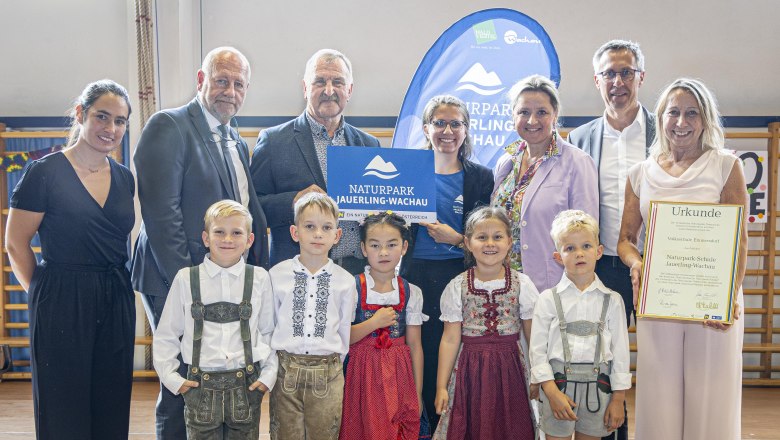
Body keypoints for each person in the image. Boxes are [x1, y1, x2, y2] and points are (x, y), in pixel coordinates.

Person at [132, 46, 269, 439]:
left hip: (225, 279)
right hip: (175, 280)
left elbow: (245, 208)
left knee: (216, 379)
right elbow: (162, 218)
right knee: (182, 383)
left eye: (238, 84)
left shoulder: (236, 139)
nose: (230, 90)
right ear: (200, 80)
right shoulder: (168, 126)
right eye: (221, 80)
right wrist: (191, 287)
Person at [617, 78, 748, 440]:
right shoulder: (640, 173)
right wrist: (637, 263)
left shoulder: (725, 165)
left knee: (711, 394)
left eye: (692, 113)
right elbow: (626, 241)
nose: (681, 121)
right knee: (659, 393)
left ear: (705, 119)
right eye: (673, 112)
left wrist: (729, 296)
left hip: (713, 303)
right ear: (660, 118)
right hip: (660, 300)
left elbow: (738, 239)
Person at [6, 79, 135, 439]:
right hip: (61, 296)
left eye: (120, 121)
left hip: (115, 296)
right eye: (102, 117)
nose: (111, 129)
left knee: (111, 403)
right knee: (63, 406)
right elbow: (16, 245)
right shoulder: (44, 173)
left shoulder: (126, 179)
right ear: (81, 114)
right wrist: (48, 295)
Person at [567, 39, 653, 440]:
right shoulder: (578, 139)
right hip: (598, 266)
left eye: (626, 72)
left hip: (656, 266)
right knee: (600, 360)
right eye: (609, 73)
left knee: (658, 360)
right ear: (597, 80)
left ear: (641, 77)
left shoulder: (665, 130)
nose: (618, 81)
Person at [399, 95, 493, 429]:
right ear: (426, 128)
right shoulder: (407, 172)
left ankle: (456, 425)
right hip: (416, 275)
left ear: (466, 130)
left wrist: (456, 239)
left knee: (457, 354)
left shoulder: (481, 177)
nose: (447, 130)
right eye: (440, 123)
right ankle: (422, 425)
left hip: (460, 274)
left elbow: (488, 236)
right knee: (419, 351)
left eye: (456, 123)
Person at [152, 200, 277, 439]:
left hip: (246, 386)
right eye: (219, 232)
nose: (227, 239)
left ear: (249, 239)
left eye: (236, 232)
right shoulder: (186, 279)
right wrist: (172, 379)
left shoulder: (259, 278)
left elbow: (269, 331)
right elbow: (166, 334)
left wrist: (267, 377)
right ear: (206, 238)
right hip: (200, 387)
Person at [251, 49, 380, 273]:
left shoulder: (370, 146)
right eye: (320, 81)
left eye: (337, 82)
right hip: (296, 274)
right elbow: (254, 209)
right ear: (305, 88)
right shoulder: (273, 141)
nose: (329, 90)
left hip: (358, 273)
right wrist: (294, 201)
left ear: (349, 90)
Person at [434, 207, 538, 439]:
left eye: (497, 237)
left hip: (512, 368)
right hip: (469, 370)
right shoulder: (457, 286)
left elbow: (534, 336)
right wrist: (441, 386)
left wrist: (538, 376)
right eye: (482, 237)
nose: (490, 243)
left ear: (510, 242)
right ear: (469, 243)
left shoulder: (523, 284)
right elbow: (450, 339)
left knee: (512, 424)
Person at [529, 210, 631, 440]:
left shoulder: (612, 300)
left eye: (586, 246)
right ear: (558, 256)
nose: (579, 254)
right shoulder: (547, 299)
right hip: (557, 387)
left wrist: (618, 398)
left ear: (599, 251)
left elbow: (622, 353)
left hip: (599, 390)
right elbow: (537, 351)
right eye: (570, 248)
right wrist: (551, 391)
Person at [492, 74, 599, 293]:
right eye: (524, 112)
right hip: (506, 285)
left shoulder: (577, 163)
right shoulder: (506, 162)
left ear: (555, 115)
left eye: (541, 112)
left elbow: (587, 234)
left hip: (555, 286)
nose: (532, 121)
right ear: (513, 116)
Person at [268, 193, 357, 439]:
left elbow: (344, 331)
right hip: (285, 371)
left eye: (326, 227)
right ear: (295, 233)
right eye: (310, 227)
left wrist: (335, 365)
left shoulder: (346, 281)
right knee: (285, 434)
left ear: (337, 236)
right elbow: (270, 324)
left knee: (325, 434)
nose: (318, 234)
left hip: (327, 373)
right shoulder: (276, 275)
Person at [340, 212, 427, 439]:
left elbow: (415, 346)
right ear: (363, 248)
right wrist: (373, 323)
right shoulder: (352, 287)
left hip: (399, 376)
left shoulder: (411, 292)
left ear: (404, 247)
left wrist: (417, 392)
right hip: (361, 376)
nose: (384, 252)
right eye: (375, 245)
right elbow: (343, 337)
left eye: (392, 244)